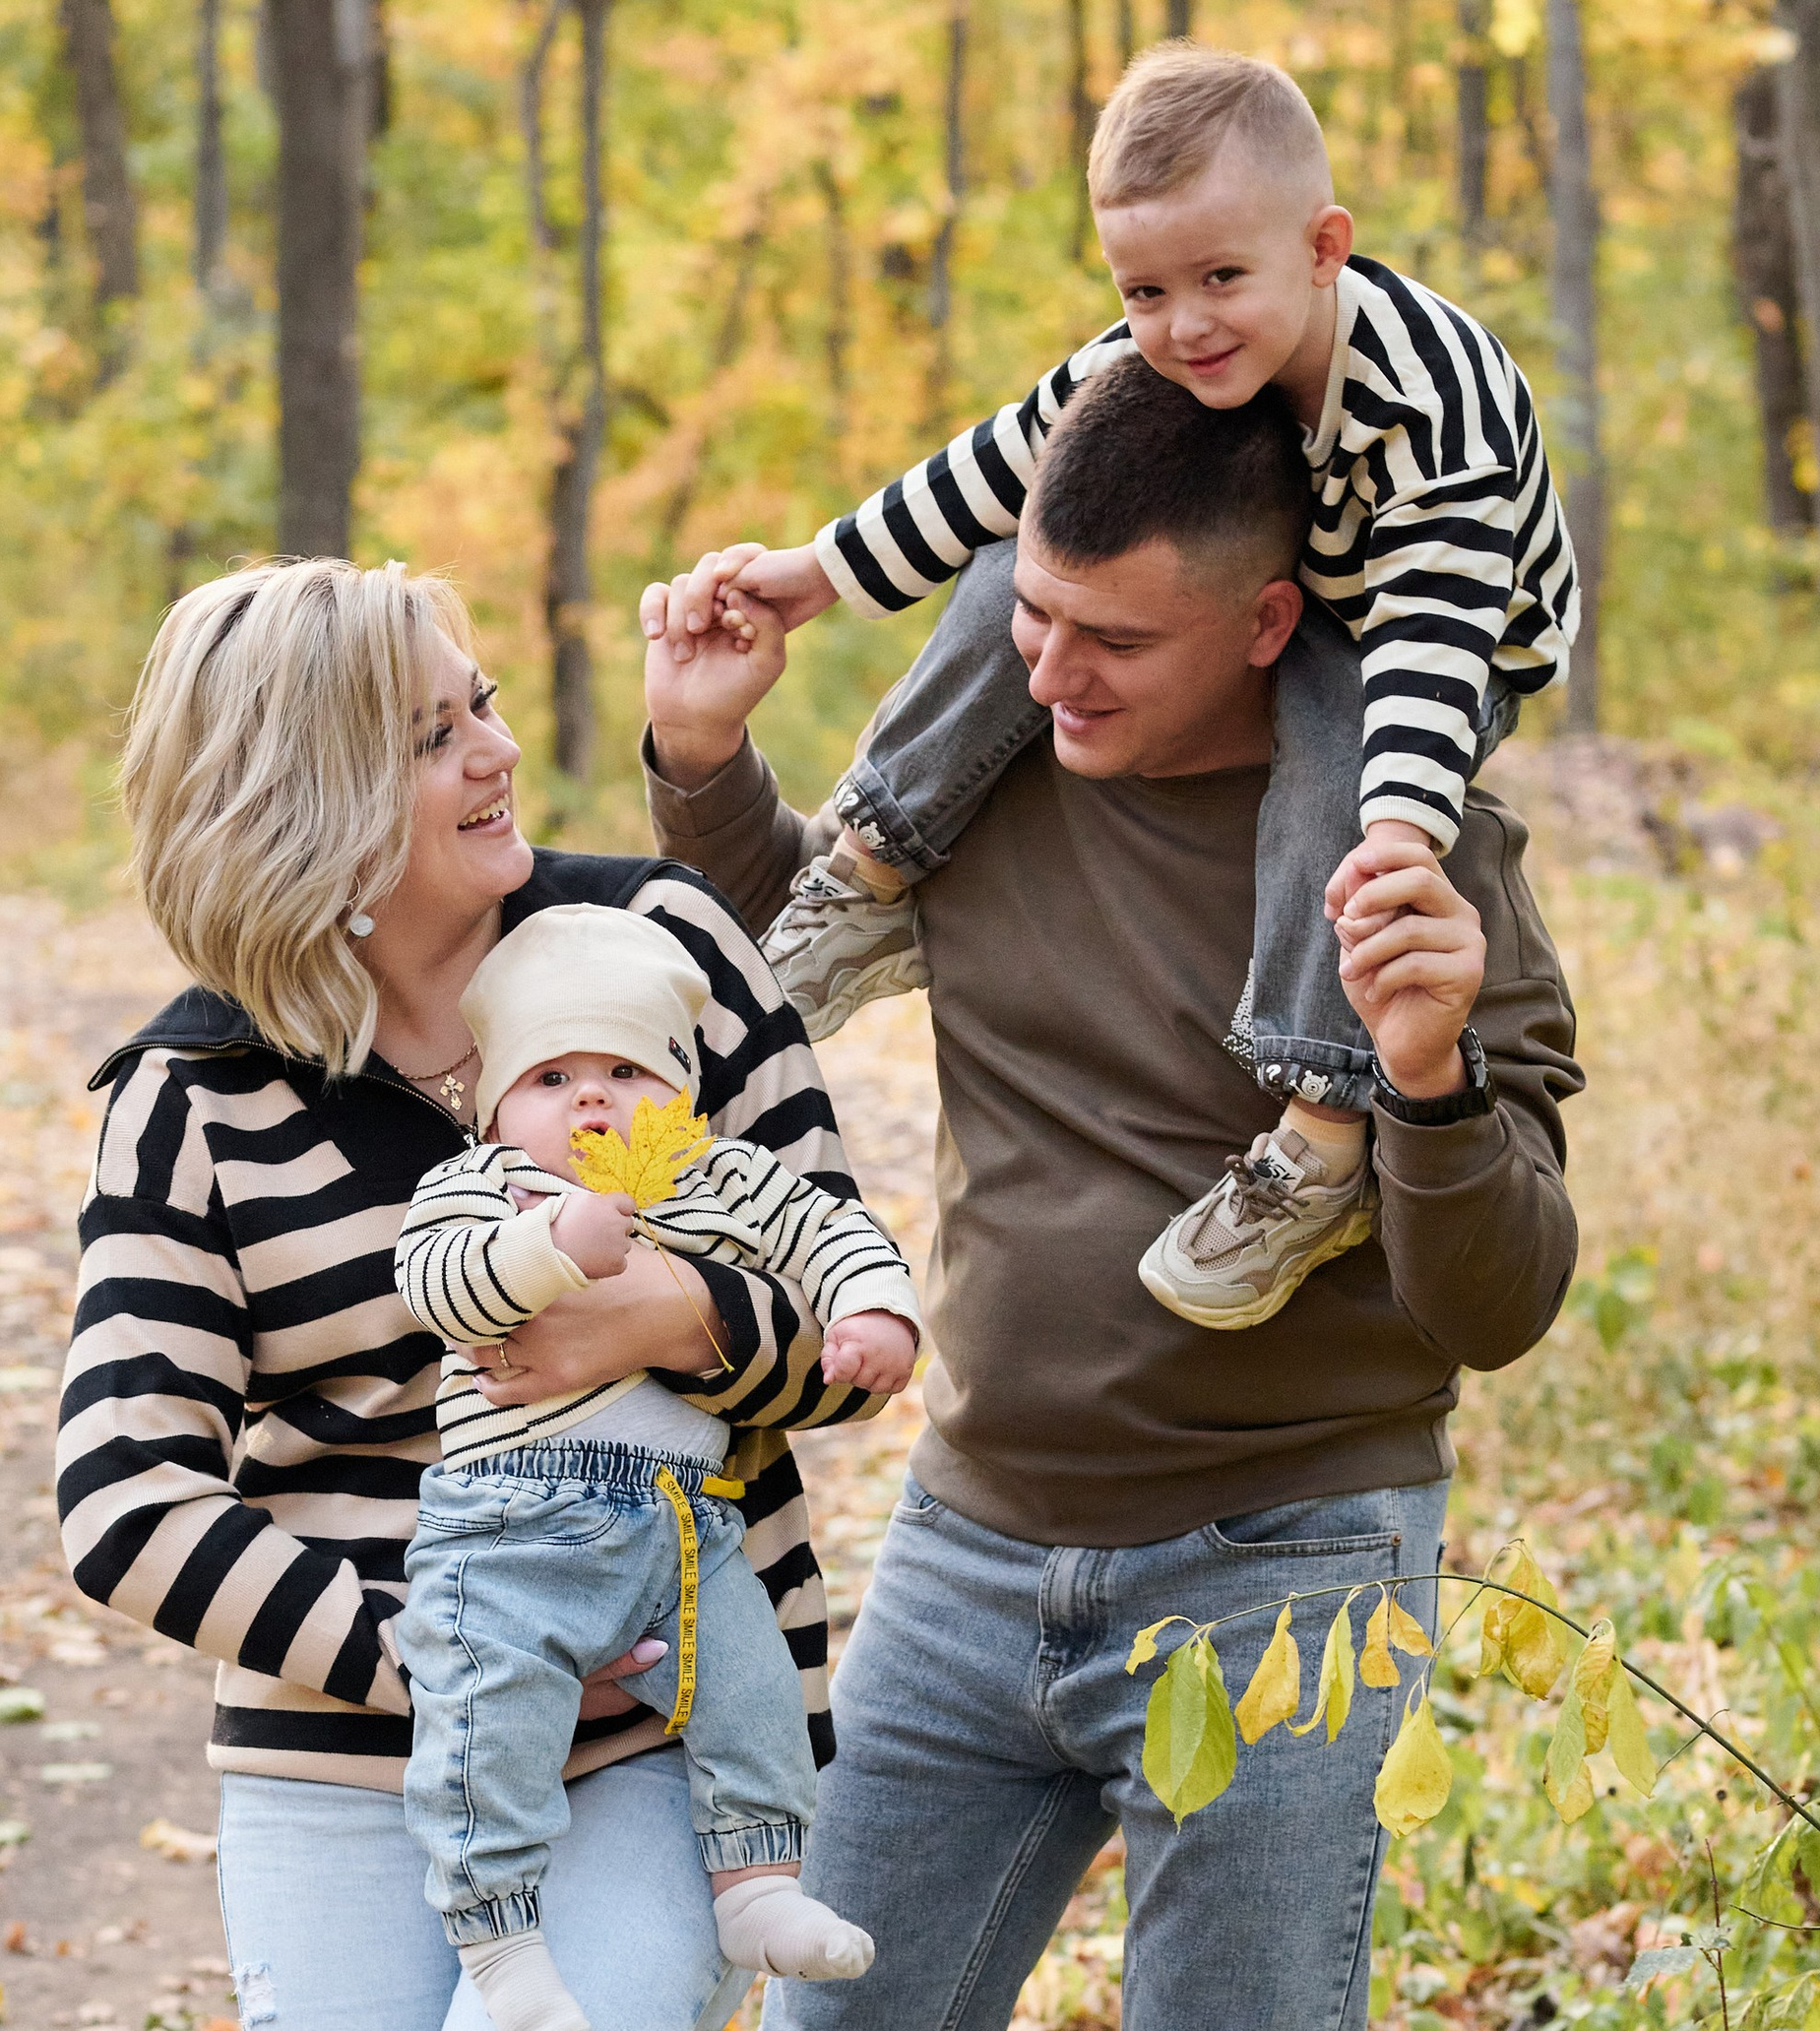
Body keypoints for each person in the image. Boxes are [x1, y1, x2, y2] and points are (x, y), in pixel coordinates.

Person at [640, 361, 1583, 2030]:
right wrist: (702, 750)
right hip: (965, 1544)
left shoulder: (1419, 875)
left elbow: (1493, 1306)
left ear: (1267, 622)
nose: (1053, 678)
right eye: (1033, 617)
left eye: (1115, 643)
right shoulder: (994, 778)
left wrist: (1426, 1079)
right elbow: (780, 958)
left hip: (1283, 1571)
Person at [57, 556, 882, 2031]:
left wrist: (673, 1318)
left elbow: (843, 1316)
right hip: (346, 1746)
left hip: (668, 1732)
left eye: (481, 703)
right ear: (302, 801)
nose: (499, 752)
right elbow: (126, 1500)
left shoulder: (663, 950)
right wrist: (455, 1665)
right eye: (434, 735)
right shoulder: (192, 1095)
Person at [662, 43, 1579, 1333]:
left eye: (1219, 278)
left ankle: (1318, 1132)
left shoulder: (1434, 416)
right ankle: (863, 872)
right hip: (1296, 585)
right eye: (1143, 287)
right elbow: (989, 469)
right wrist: (814, 576)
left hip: (1443, 640)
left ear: (1323, 248)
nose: (1181, 323)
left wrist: (1390, 837)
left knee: (1336, 750)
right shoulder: (1151, 354)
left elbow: (1428, 643)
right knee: (1015, 567)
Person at [391, 903, 919, 2031]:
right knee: (493, 1728)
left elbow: (826, 1229)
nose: (590, 1097)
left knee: (752, 1691)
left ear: (679, 1089)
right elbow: (434, 1287)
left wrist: (875, 1307)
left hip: (690, 1525)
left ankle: (756, 1883)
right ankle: (502, 1940)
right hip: (510, 1526)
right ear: (493, 1106)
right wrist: (549, 1247)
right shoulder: (488, 1188)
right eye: (551, 1076)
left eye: (625, 1067)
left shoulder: (718, 1176)